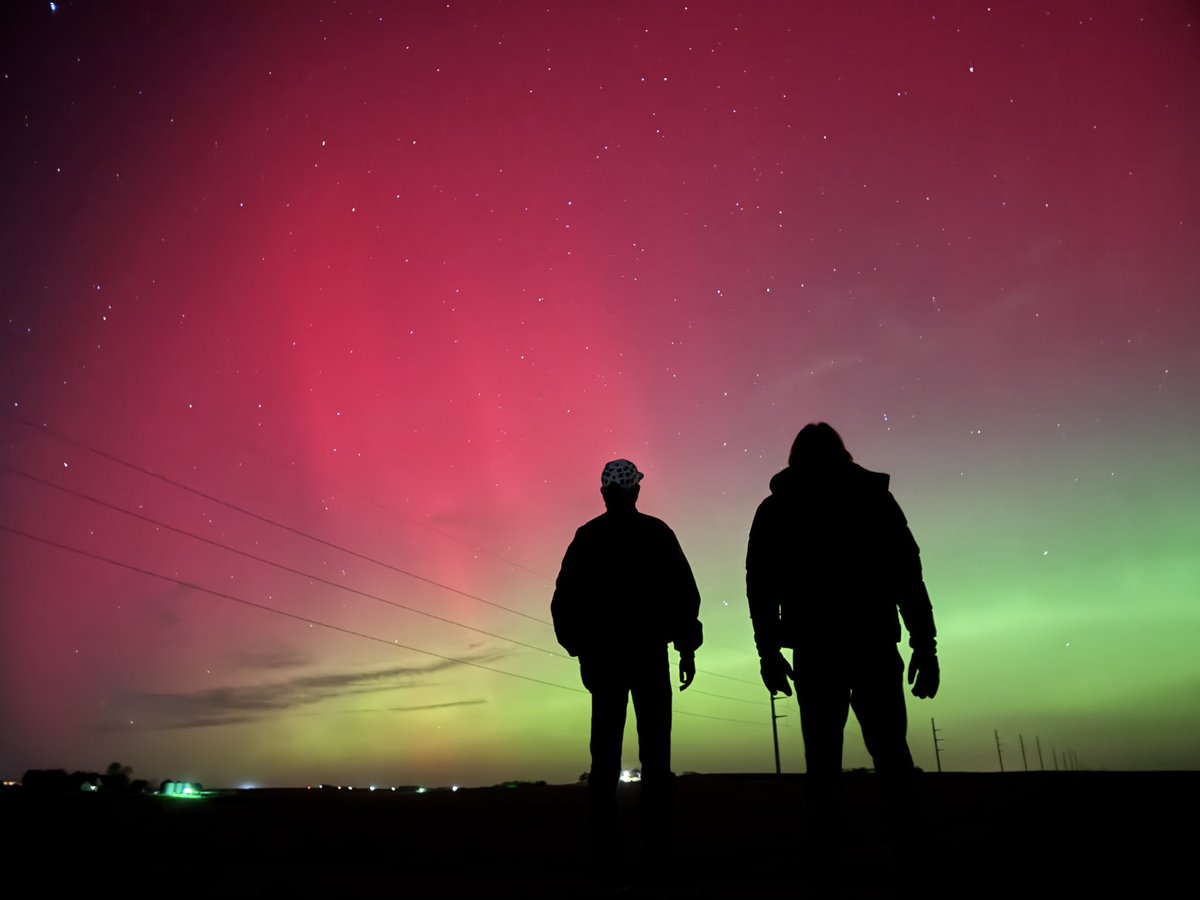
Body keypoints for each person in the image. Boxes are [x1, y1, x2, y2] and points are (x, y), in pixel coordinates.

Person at [746, 423, 939, 832]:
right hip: (872, 644)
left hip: (816, 651)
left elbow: (760, 587)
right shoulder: (874, 499)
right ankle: (913, 861)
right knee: (891, 755)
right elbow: (908, 575)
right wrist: (925, 646)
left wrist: (769, 653)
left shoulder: (777, 509)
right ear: (843, 452)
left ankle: (826, 870)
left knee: (822, 762)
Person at [551, 458, 703, 863]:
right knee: (656, 758)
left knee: (604, 760)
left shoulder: (587, 539)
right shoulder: (656, 534)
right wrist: (686, 648)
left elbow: (563, 603)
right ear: (636, 490)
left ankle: (605, 855)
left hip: (605, 664)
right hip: (648, 659)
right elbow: (685, 597)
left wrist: (581, 650)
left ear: (604, 493)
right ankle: (657, 854)